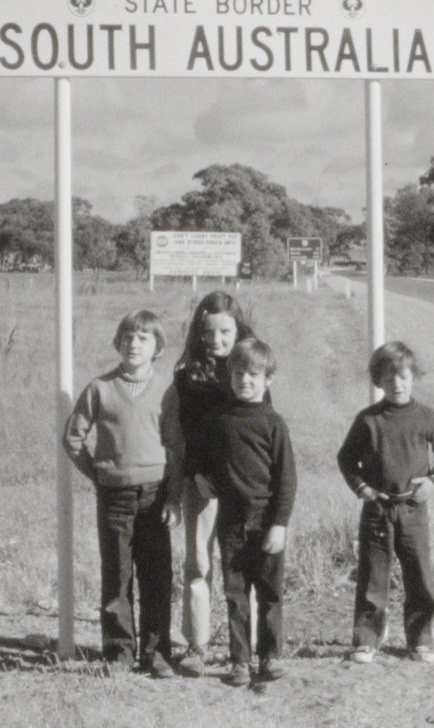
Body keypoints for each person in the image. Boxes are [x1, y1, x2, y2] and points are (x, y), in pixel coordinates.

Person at [62, 309, 182, 678]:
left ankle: (157, 652)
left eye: (143, 338)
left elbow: (177, 447)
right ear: (118, 342)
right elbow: (73, 439)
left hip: (156, 495)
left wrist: (174, 497)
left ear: (157, 347)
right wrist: (99, 475)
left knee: (156, 576)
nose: (134, 344)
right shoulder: (99, 388)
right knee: (117, 576)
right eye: (128, 337)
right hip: (114, 497)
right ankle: (118, 653)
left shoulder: (167, 391)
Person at [336, 341, 434, 665]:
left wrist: (433, 481)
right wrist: (362, 488)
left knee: (419, 576)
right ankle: (367, 640)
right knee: (373, 577)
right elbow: (346, 458)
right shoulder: (368, 420)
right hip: (377, 509)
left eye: (403, 377)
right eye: (389, 379)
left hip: (413, 509)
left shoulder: (426, 417)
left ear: (414, 376)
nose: (397, 385)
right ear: (379, 381)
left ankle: (420, 640)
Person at [172, 291, 261, 677]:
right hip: (203, 483)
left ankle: (248, 645)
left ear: (238, 329)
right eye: (208, 332)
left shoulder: (252, 369)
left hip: (244, 485)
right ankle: (197, 642)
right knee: (199, 562)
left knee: (244, 566)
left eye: (225, 331)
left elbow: (262, 428)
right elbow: (188, 433)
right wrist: (196, 475)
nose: (216, 340)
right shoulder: (188, 377)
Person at [211, 338, 296, 687]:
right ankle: (240, 662)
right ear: (230, 376)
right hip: (230, 522)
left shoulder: (274, 423)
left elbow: (287, 479)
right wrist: (203, 478)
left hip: (265, 520)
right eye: (238, 373)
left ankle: (270, 656)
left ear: (268, 379)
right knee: (236, 596)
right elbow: (204, 459)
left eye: (253, 374)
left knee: (270, 594)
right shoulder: (220, 421)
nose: (245, 380)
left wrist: (280, 524)